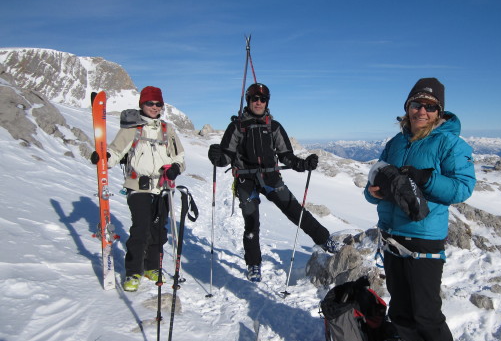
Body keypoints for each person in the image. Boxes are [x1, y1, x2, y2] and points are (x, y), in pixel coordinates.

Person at [365, 78, 476, 341]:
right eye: (417, 104)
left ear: (439, 111)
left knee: (427, 314)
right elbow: (374, 183)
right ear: (407, 108)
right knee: (400, 308)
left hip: (424, 237)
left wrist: (427, 179)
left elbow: (462, 188)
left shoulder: (449, 144)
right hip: (392, 234)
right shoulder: (395, 143)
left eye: (430, 106)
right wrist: (374, 192)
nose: (422, 111)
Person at [208, 82, 338, 283]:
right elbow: (225, 157)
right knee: (252, 223)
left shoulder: (274, 127)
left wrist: (303, 164)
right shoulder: (237, 127)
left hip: (270, 178)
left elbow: (286, 156)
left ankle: (324, 239)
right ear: (248, 101)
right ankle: (253, 264)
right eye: (254, 99)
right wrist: (216, 156)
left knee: (295, 210)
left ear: (267, 102)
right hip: (246, 180)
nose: (258, 102)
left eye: (262, 99)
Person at [91, 86, 186, 292]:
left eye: (158, 103)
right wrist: (104, 159)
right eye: (150, 103)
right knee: (140, 229)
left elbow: (179, 158)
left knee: (158, 231)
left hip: (162, 187)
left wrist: (176, 168)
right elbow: (116, 152)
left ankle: (152, 267)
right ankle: (134, 271)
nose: (154, 107)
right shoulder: (132, 128)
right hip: (138, 186)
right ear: (142, 104)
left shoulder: (167, 130)